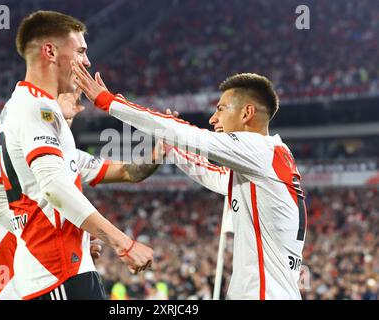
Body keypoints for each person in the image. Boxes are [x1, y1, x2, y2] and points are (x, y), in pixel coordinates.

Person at [73, 65, 307, 300]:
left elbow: (189, 134)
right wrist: (171, 146)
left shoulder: (260, 149)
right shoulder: (268, 161)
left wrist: (108, 101)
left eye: (221, 109)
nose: (213, 118)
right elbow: (209, 172)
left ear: (247, 113)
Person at [0, 11, 153, 300]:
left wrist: (40, 234)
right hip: (58, 274)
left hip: (51, 272)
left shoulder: (17, 109)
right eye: (81, 51)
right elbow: (53, 186)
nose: (87, 61)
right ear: (50, 51)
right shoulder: (38, 108)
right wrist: (121, 242)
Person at [0, 92, 164, 300]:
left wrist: (159, 152)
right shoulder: (8, 143)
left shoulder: (65, 154)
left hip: (43, 274)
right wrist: (41, 114)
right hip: (1, 283)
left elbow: (127, 172)